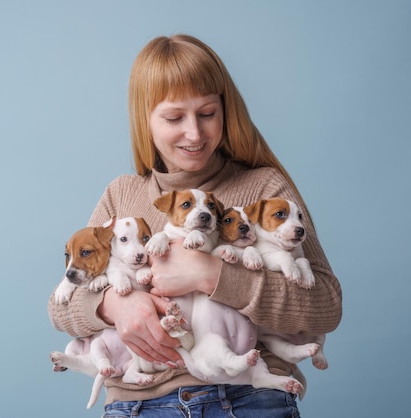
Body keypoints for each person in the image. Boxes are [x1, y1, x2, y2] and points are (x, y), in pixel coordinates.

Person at [48, 34, 342, 417]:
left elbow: (326, 307)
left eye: (207, 113)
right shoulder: (122, 194)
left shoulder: (264, 188)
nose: (195, 133)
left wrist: (211, 273)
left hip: (247, 396)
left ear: (226, 109)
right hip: (138, 403)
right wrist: (111, 306)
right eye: (174, 118)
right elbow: (61, 306)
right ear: (145, 120)